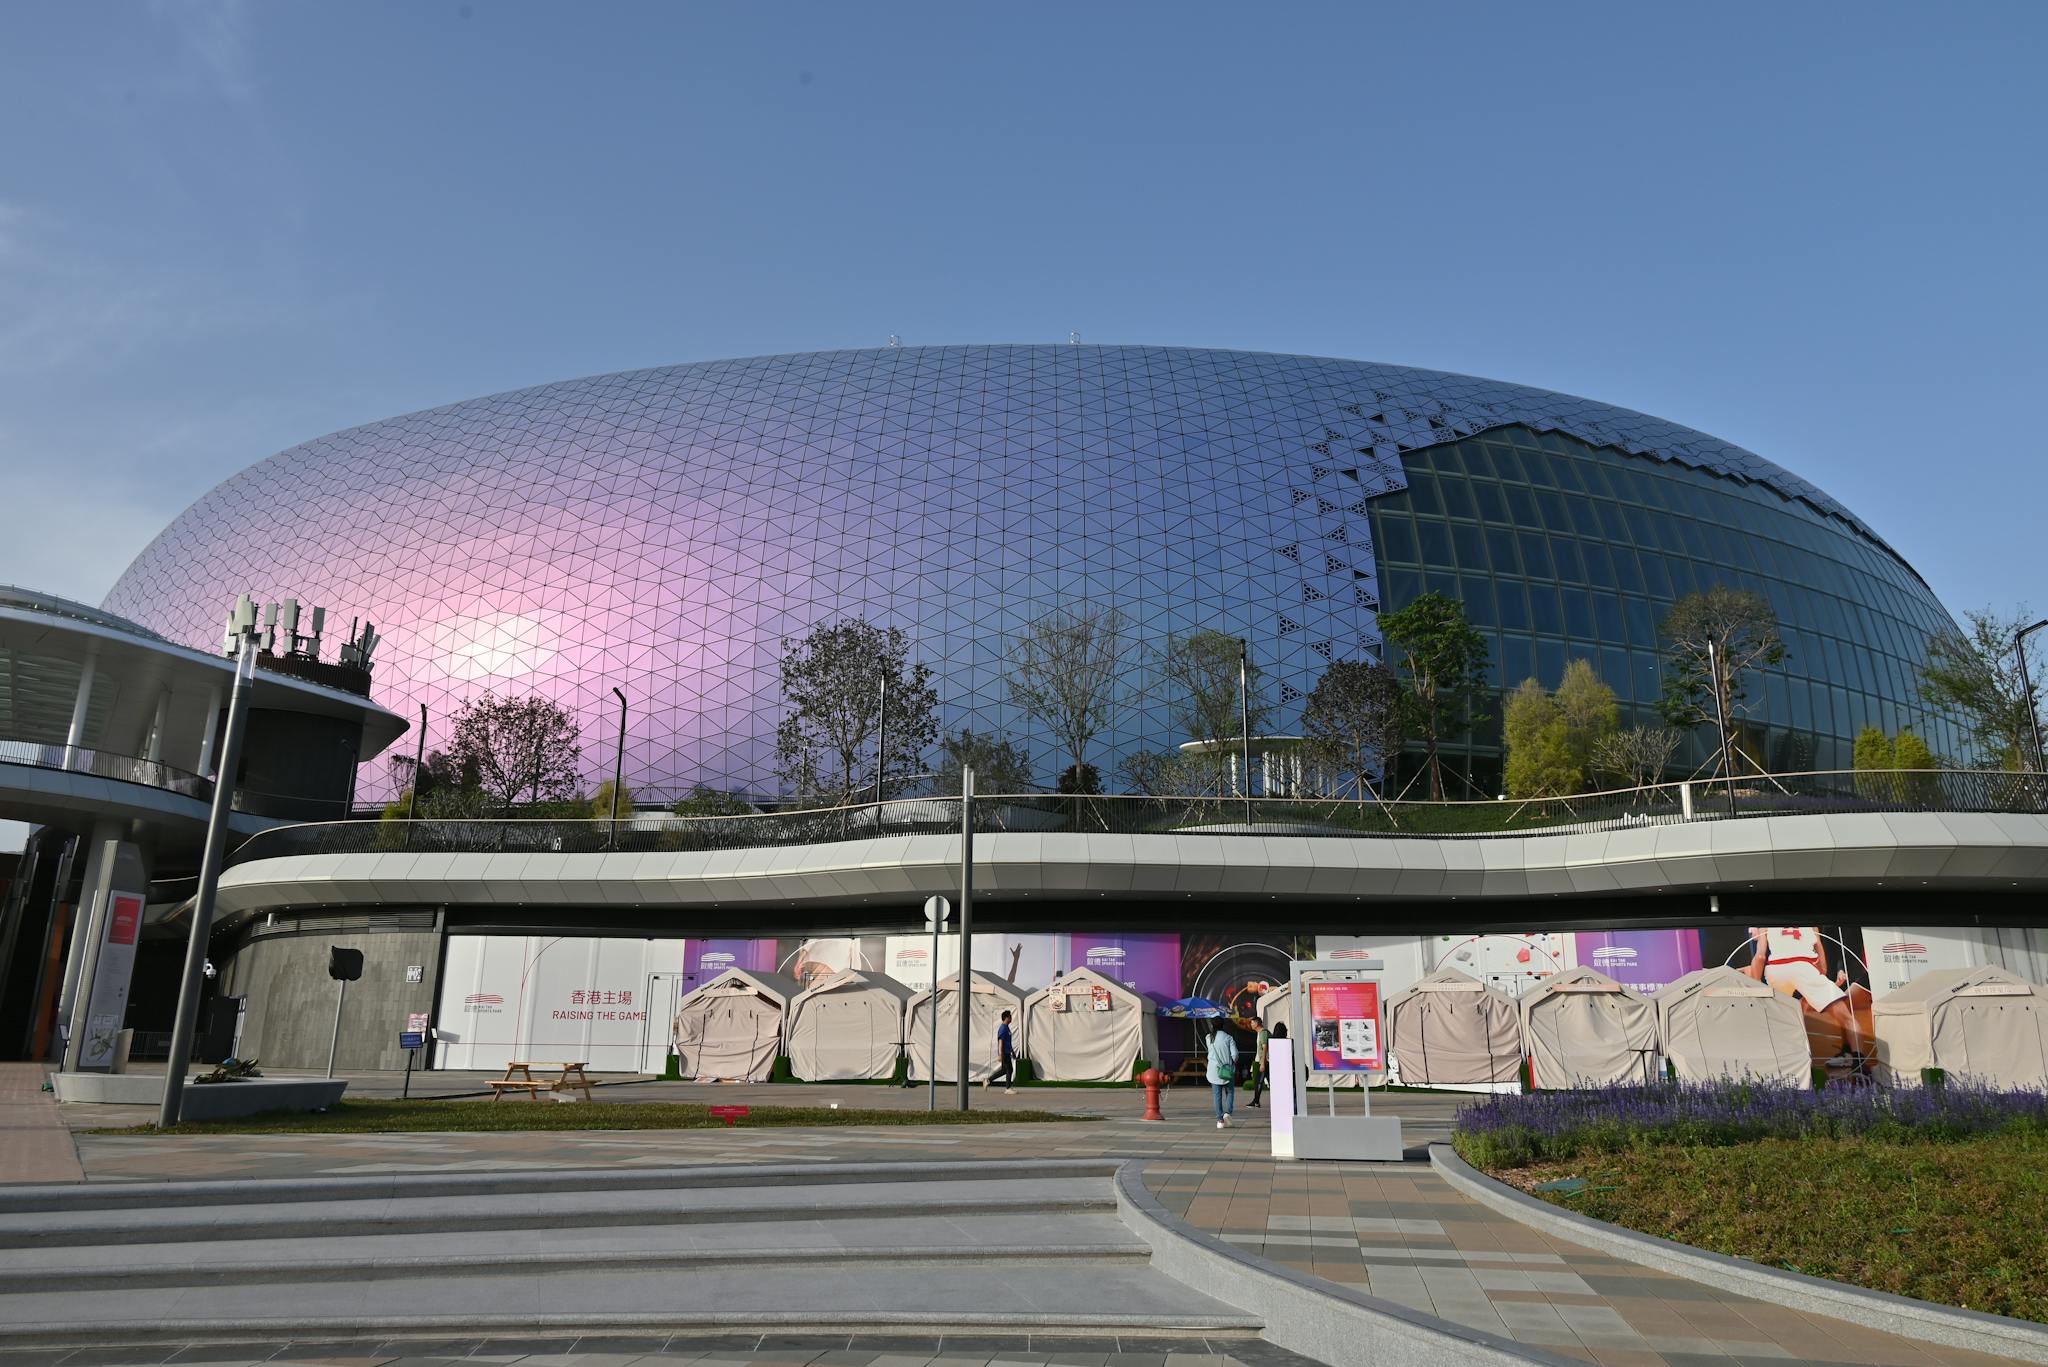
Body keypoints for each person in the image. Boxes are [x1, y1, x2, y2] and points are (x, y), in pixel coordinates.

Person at [1745, 926, 1866, 1065]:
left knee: (1777, 1022)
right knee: (1847, 1019)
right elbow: (1821, 961)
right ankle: (1859, 1065)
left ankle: (1774, 1063)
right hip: (1805, 967)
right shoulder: (1810, 924)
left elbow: (1760, 956)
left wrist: (1755, 988)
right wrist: (1822, 980)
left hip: (1776, 969)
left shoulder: (1765, 924)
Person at [1206, 1023, 1239, 1128]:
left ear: (1212, 1026)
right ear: (1223, 1025)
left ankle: (1220, 1120)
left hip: (1213, 1071)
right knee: (1230, 1092)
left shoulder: (1208, 1037)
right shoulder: (1228, 1038)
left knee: (1217, 1095)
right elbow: (1235, 1055)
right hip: (1227, 1070)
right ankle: (1228, 1113)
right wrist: (1231, 1061)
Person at [984, 1008, 1018, 1094]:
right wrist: (1000, 1054)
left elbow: (1008, 1042)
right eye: (1010, 1016)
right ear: (1006, 1018)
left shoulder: (1007, 1028)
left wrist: (1012, 1051)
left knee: (1004, 1070)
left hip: (1007, 1052)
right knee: (1009, 1069)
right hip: (1004, 1052)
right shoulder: (1003, 1028)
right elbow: (1000, 1041)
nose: (1011, 1018)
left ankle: (988, 1080)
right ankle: (1008, 1088)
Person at [1247, 1017, 1271, 1107]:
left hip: (1263, 1061)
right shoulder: (1259, 1033)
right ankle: (1256, 1101)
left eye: (1252, 1023)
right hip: (1260, 1060)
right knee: (1258, 1082)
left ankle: (1256, 1101)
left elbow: (1265, 1047)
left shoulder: (1263, 1033)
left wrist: (1262, 1062)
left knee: (1259, 1081)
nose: (1251, 1025)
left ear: (1257, 1023)